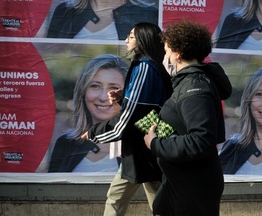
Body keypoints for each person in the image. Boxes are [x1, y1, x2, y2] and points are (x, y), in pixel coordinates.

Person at [81, 22, 172, 216]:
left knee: (151, 202)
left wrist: (96, 132)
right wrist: (124, 98)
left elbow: (131, 116)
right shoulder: (152, 66)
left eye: (130, 37)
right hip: (146, 146)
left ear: (141, 41)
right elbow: (146, 108)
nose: (126, 41)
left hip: (145, 147)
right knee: (125, 198)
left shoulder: (145, 68)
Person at [143, 20, 232, 216]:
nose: (165, 57)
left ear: (177, 54)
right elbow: (181, 124)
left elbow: (200, 141)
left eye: (166, 52)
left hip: (193, 185)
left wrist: (155, 144)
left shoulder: (195, 88)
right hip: (178, 179)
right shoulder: (186, 82)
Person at [48, 54, 128, 173]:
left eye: (113, 88)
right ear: (83, 91)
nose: (103, 97)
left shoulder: (141, 142)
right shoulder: (66, 143)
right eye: (95, 86)